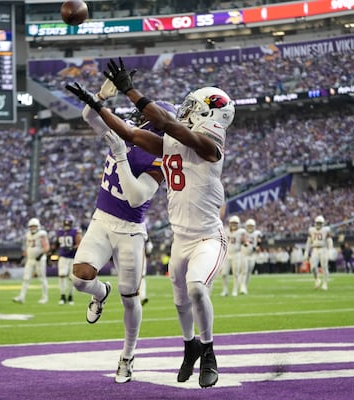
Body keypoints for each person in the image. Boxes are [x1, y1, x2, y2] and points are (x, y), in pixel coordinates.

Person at [66, 57, 235, 388]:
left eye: (194, 108)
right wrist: (97, 105)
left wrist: (130, 91)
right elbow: (128, 132)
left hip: (206, 237)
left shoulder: (209, 146)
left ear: (210, 115)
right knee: (180, 301)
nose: (186, 111)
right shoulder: (170, 144)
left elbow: (170, 127)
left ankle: (209, 353)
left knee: (197, 289)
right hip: (180, 238)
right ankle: (191, 347)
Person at [68, 76, 174, 384]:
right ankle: (100, 293)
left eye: (148, 117)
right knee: (79, 278)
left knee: (131, 299)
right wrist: (100, 94)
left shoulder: (160, 154)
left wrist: (119, 154)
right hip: (102, 220)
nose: (141, 117)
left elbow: (137, 196)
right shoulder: (127, 129)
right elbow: (89, 116)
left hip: (130, 231)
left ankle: (127, 356)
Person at [12, 218, 49, 304]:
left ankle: (45, 297)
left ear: (38, 226)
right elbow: (28, 247)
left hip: (40, 260)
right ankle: (21, 297)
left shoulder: (41, 234)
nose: (32, 228)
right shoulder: (28, 235)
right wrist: (21, 257)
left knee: (42, 279)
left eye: (34, 226)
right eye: (31, 226)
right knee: (26, 278)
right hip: (30, 259)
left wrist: (40, 255)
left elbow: (46, 247)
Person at [55, 214, 82, 305]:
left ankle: (70, 296)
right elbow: (57, 243)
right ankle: (62, 296)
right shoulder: (59, 232)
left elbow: (80, 244)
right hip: (63, 257)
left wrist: (72, 248)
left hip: (73, 258)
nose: (67, 224)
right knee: (62, 276)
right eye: (65, 222)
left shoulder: (75, 232)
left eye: (68, 222)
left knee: (72, 278)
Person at [304, 215, 333, 291]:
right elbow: (308, 242)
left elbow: (330, 241)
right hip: (314, 250)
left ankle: (325, 283)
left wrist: (330, 250)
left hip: (323, 249)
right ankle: (317, 280)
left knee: (324, 266)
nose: (318, 224)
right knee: (313, 267)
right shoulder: (311, 230)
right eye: (317, 223)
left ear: (323, 223)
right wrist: (306, 251)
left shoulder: (326, 230)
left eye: (320, 223)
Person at [220, 215, 245, 297]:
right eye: (232, 223)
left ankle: (235, 290)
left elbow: (245, 241)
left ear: (238, 224)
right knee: (224, 274)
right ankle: (225, 290)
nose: (234, 224)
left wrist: (245, 242)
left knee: (236, 273)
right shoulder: (226, 230)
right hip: (227, 254)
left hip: (236, 254)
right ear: (230, 223)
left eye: (235, 223)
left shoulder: (241, 232)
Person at [241, 218, 262, 294]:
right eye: (249, 226)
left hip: (252, 255)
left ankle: (245, 286)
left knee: (249, 272)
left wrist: (257, 247)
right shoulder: (243, 233)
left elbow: (259, 243)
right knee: (245, 271)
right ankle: (242, 286)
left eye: (251, 226)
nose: (250, 227)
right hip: (244, 254)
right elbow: (243, 243)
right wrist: (247, 244)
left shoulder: (257, 233)